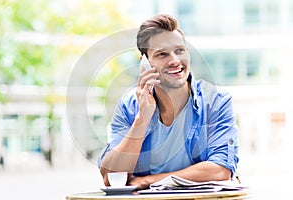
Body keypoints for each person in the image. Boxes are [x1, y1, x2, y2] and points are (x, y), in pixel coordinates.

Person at [98, 14, 239, 189]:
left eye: (180, 50)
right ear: (145, 62)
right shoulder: (129, 107)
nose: (174, 61)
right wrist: (142, 118)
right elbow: (112, 176)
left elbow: (221, 170)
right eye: (162, 54)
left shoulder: (217, 102)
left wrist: (148, 181)